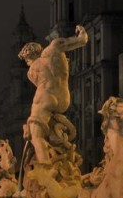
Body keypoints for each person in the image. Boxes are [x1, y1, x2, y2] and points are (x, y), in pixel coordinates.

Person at [18, 25, 88, 165]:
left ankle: (46, 170)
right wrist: (82, 33)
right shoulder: (54, 47)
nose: (27, 64)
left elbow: (41, 84)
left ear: (28, 57)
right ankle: (62, 150)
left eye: (26, 61)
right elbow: (82, 40)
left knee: (36, 135)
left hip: (45, 97)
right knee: (51, 129)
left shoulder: (31, 71)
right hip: (64, 99)